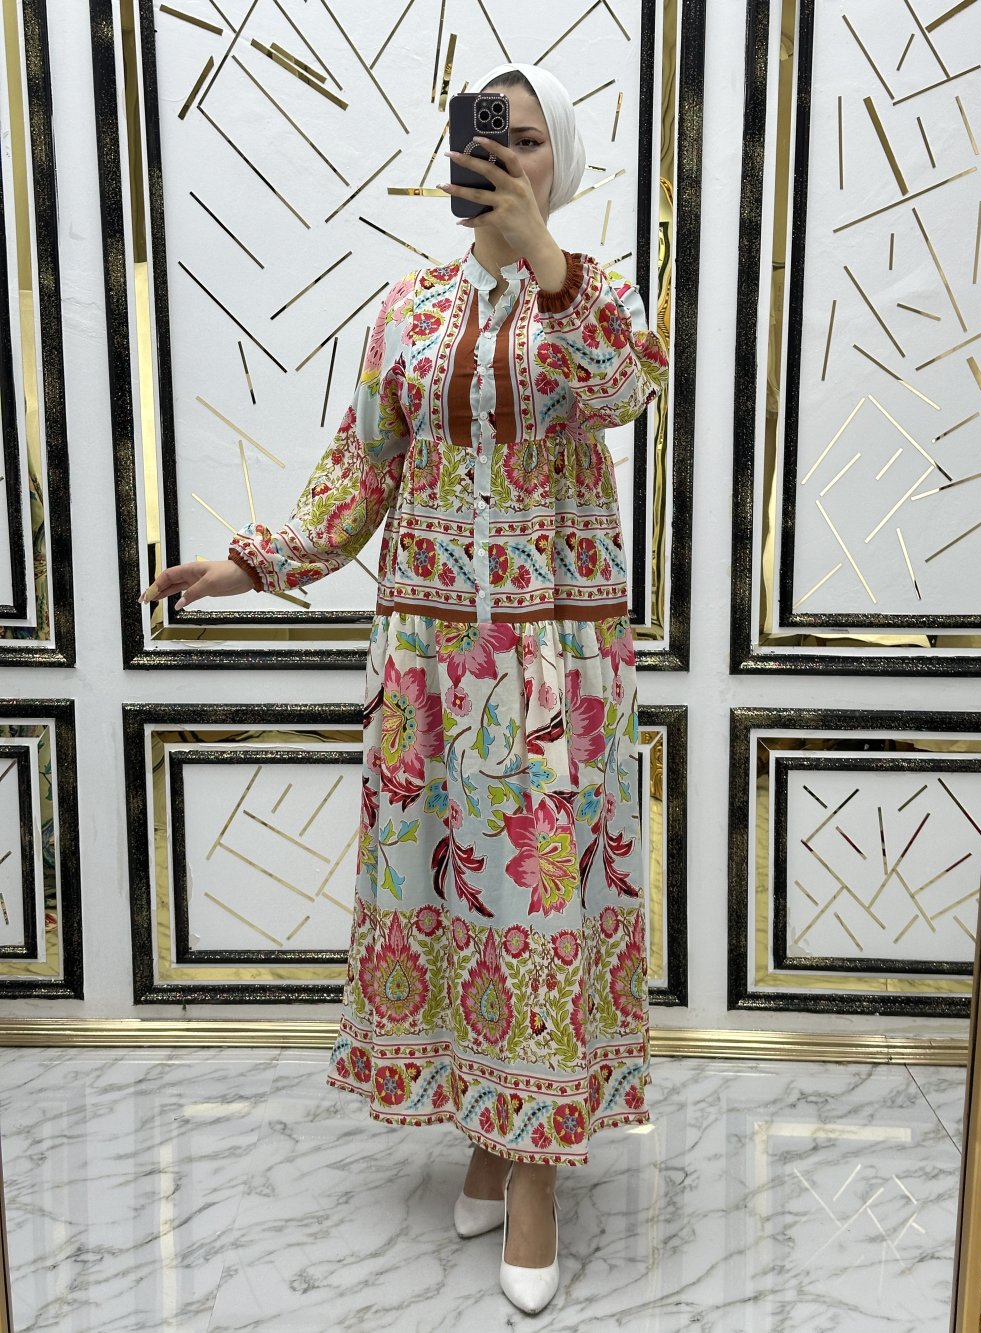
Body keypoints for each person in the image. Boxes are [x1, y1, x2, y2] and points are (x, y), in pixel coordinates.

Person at [141, 62, 669, 1315]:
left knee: (540, 907)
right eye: (489, 138)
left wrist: (544, 258)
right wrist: (251, 563)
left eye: (528, 140)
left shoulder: (596, 298)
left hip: (549, 668)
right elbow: (360, 468)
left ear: (559, 161)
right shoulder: (409, 307)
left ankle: (533, 1173)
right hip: (428, 664)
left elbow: (628, 389)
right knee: (450, 900)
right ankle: (487, 1131)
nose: (504, 157)